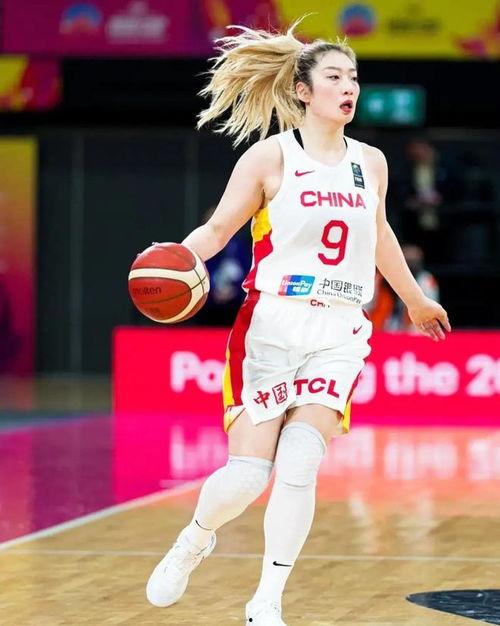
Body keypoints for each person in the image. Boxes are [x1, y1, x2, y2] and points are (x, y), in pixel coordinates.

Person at [145, 20, 451, 625]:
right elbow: (218, 229)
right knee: (247, 476)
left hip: (339, 330)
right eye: (334, 77)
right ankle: (194, 539)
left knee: (303, 457)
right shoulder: (270, 157)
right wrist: (173, 261)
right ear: (304, 91)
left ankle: (267, 600)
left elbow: (380, 234)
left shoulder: (371, 163)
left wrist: (414, 298)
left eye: (354, 78)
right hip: (271, 326)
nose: (349, 87)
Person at [389, 243, 439, 332]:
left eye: (413, 260)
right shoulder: (394, 277)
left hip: (420, 322)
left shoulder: (426, 279)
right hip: (396, 322)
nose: (411, 263)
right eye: (408, 260)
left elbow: (430, 305)